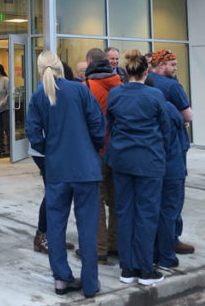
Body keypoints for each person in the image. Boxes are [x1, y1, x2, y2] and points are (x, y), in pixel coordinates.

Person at [26, 51, 105, 298]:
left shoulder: (38, 96)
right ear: (60, 66)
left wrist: (49, 150)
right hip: (85, 168)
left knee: (56, 227)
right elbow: (97, 123)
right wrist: (93, 149)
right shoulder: (80, 90)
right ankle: (90, 284)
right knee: (87, 228)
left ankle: (61, 279)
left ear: (40, 69)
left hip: (57, 170)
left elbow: (33, 133)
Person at [106, 49, 170, 286]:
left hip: (122, 159)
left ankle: (127, 267)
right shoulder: (155, 95)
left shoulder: (115, 94)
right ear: (146, 71)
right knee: (147, 212)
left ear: (125, 71)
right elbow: (165, 128)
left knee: (124, 212)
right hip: (149, 160)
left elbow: (110, 124)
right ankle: (144, 268)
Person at [148, 48, 195, 255]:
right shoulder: (172, 86)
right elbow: (189, 116)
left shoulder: (145, 81)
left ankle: (155, 238)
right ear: (161, 65)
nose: (175, 68)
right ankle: (171, 240)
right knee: (173, 198)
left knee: (154, 196)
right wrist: (180, 119)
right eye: (173, 65)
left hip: (151, 147)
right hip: (174, 148)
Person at [82, 48, 123, 264]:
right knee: (116, 200)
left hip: (95, 151)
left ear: (89, 62)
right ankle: (116, 244)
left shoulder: (87, 87)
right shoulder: (121, 86)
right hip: (118, 151)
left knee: (95, 201)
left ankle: (100, 249)